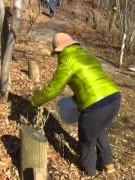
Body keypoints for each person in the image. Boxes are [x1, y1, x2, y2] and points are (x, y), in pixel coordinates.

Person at [30, 33, 121, 177]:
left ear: (59, 50)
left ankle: (89, 172)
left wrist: (34, 101)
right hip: (114, 97)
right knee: (99, 130)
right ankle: (109, 166)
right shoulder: (85, 54)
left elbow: (54, 89)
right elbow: (89, 82)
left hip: (96, 105)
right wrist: (77, 99)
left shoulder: (67, 59)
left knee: (86, 140)